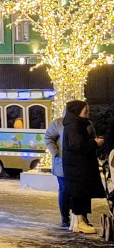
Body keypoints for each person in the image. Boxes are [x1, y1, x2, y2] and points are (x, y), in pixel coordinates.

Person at [62, 100, 104, 234]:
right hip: (78, 167)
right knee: (80, 194)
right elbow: (78, 145)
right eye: (85, 110)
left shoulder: (73, 123)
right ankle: (80, 223)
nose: (88, 112)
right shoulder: (75, 124)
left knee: (80, 194)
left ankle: (78, 222)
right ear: (77, 111)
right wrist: (95, 143)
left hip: (77, 166)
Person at [44, 112, 70, 229]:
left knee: (78, 191)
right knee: (64, 189)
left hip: (79, 164)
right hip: (62, 163)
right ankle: (65, 217)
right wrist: (56, 152)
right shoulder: (59, 123)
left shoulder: (86, 123)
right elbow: (48, 136)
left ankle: (80, 216)